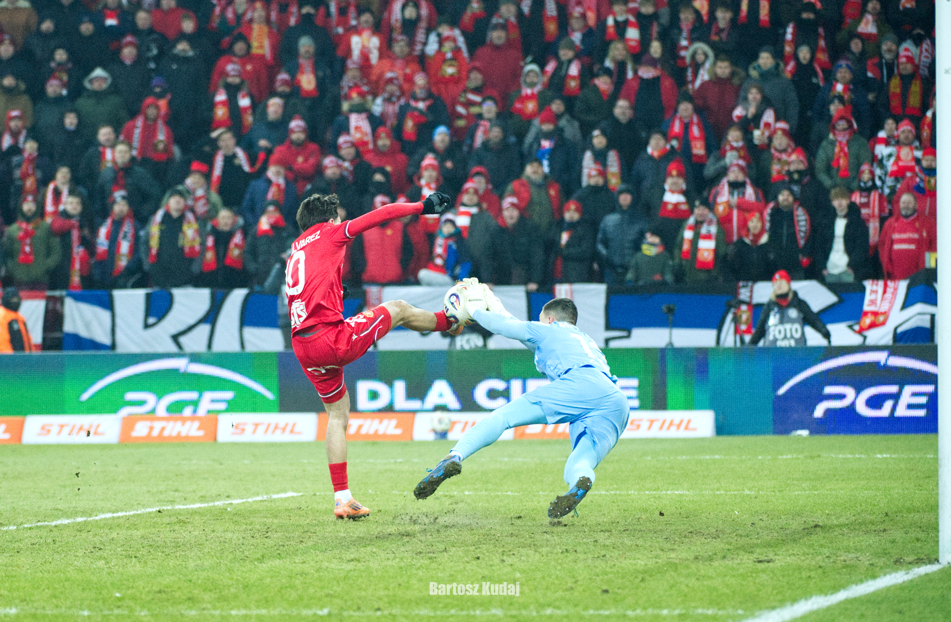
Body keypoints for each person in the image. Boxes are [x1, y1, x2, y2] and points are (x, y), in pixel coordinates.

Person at [286, 191, 457, 520]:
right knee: (400, 309)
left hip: (302, 346)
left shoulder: (297, 249)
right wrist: (422, 207)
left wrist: (336, 291)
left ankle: (342, 499)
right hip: (330, 339)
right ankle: (450, 322)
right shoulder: (331, 232)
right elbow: (382, 214)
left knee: (337, 415)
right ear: (330, 219)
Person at [414, 295, 630, 520]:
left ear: (549, 319)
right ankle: (580, 482)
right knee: (580, 462)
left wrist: (473, 309)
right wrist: (497, 307)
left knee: (502, 417)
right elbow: (517, 329)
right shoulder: (584, 340)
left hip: (580, 385)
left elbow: (504, 327)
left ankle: (454, 456)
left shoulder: (550, 329)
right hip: (615, 401)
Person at [749, 270, 831, 346]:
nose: (778, 285)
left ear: (788, 284)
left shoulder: (799, 303)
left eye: (781, 282)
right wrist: (749, 347)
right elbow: (759, 330)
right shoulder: (769, 307)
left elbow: (813, 320)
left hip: (797, 352)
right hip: (773, 353)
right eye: (775, 283)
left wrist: (824, 332)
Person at [878, 191, 936, 280]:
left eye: (909, 203)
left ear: (916, 205)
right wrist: (887, 265)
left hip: (920, 276)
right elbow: (882, 245)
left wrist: (928, 268)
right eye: (903, 203)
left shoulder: (928, 223)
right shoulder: (889, 224)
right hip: (895, 276)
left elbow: (935, 245)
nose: (906, 205)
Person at [0, 287, 33, 352]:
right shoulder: (2, 316)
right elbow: (2, 342)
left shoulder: (20, 318)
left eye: (16, 299)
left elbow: (27, 340)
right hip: (9, 357)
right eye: (13, 300)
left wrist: (31, 356)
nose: (15, 301)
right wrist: (8, 357)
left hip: (24, 357)